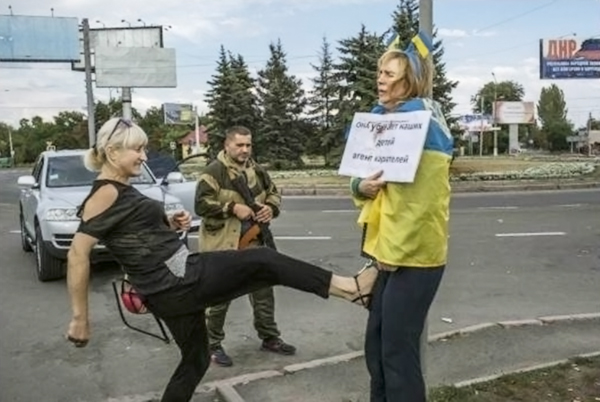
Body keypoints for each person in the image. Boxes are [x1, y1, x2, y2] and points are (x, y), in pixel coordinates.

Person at [65, 117, 379, 402]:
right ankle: (351, 288)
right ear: (112, 152)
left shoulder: (119, 189)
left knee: (197, 360)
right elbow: (78, 253)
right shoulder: (105, 192)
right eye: (138, 150)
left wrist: (169, 223)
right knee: (263, 260)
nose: (144, 157)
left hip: (166, 292)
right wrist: (80, 318)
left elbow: (131, 232)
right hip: (177, 280)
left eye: (144, 149)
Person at [349, 30, 453, 402]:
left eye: (390, 74)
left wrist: (392, 255)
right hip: (388, 254)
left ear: (409, 82)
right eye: (380, 72)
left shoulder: (424, 127)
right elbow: (362, 179)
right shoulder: (385, 121)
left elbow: (423, 204)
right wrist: (360, 186)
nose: (380, 80)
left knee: (397, 352)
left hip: (415, 256)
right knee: (376, 346)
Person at [195, 125, 295, 367]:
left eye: (248, 145)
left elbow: (273, 193)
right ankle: (211, 345)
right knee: (218, 298)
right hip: (222, 246)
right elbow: (201, 205)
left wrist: (271, 208)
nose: (245, 149)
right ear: (227, 145)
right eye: (239, 145)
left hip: (255, 242)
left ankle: (269, 337)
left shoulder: (257, 170)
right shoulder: (214, 171)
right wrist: (231, 208)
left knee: (263, 293)